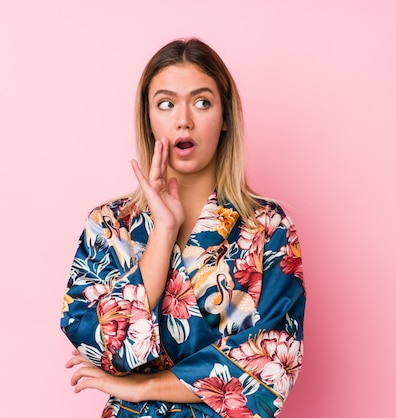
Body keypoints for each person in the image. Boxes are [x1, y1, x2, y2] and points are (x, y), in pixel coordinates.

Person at [60, 38, 306, 418]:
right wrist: (163, 231)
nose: (183, 119)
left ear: (225, 118)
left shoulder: (268, 228)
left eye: (202, 102)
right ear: (148, 118)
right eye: (166, 103)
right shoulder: (110, 226)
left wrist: (141, 387)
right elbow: (97, 342)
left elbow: (274, 364)